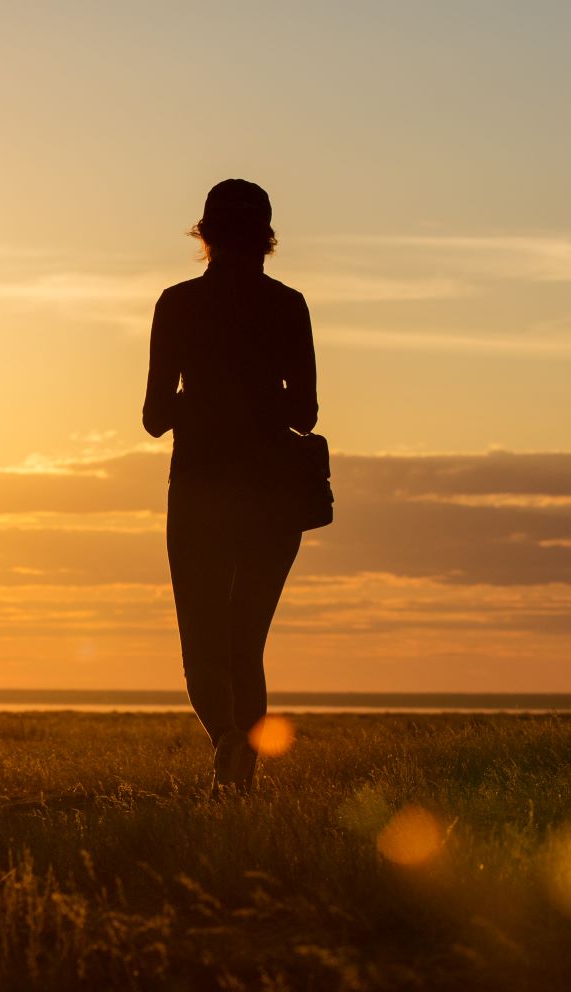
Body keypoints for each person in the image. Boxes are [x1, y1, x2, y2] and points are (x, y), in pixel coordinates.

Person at [142, 179, 317, 792]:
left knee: (204, 648)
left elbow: (154, 417)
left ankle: (226, 746)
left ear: (205, 234)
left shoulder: (178, 303)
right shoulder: (288, 304)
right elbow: (306, 415)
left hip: (199, 489)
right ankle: (239, 782)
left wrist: (203, 402)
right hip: (273, 492)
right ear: (266, 238)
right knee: (247, 645)